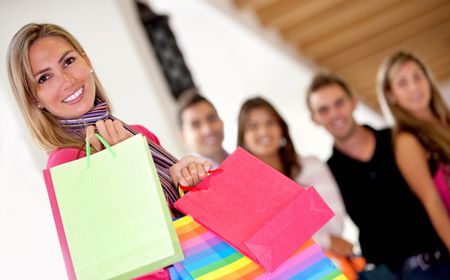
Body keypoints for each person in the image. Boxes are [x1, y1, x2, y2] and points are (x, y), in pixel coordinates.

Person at [6, 23, 212, 220]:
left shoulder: (140, 134)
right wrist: (129, 164)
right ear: (33, 98)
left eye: (68, 62)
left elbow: (185, 215)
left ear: (87, 61)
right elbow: (127, 242)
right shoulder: (65, 163)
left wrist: (187, 180)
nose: (67, 81)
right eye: (44, 78)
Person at [306, 72, 450, 278]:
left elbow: (436, 197)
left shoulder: (398, 139)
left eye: (339, 103)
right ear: (315, 119)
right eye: (324, 109)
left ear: (353, 102)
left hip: (438, 262)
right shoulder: (327, 173)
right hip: (387, 273)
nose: (335, 114)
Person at [237, 97, 357, 275]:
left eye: (270, 122)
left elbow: (334, 224)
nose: (263, 131)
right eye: (253, 126)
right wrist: (324, 238)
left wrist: (280, 232)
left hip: (332, 268)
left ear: (282, 129)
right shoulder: (241, 189)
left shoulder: (311, 166)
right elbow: (261, 247)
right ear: (243, 137)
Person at [377, 51, 450, 253]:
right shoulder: (407, 140)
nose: (414, 87)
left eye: (418, 76)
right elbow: (433, 203)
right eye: (402, 83)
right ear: (392, 96)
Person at [176, 89, 228, 168]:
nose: (208, 130)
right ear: (182, 138)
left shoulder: (246, 160)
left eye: (212, 118)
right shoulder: (187, 179)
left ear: (221, 121)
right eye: (196, 125)